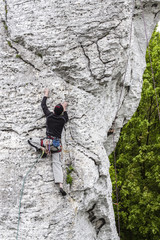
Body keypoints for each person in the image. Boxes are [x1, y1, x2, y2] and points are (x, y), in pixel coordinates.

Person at [28, 88, 68, 196]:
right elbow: (65, 115)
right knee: (57, 164)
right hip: (57, 145)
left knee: (31, 140)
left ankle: (42, 150)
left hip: (47, 143)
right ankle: (60, 185)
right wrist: (64, 107)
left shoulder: (49, 116)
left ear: (54, 110)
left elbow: (43, 106)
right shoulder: (63, 120)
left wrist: (46, 94)